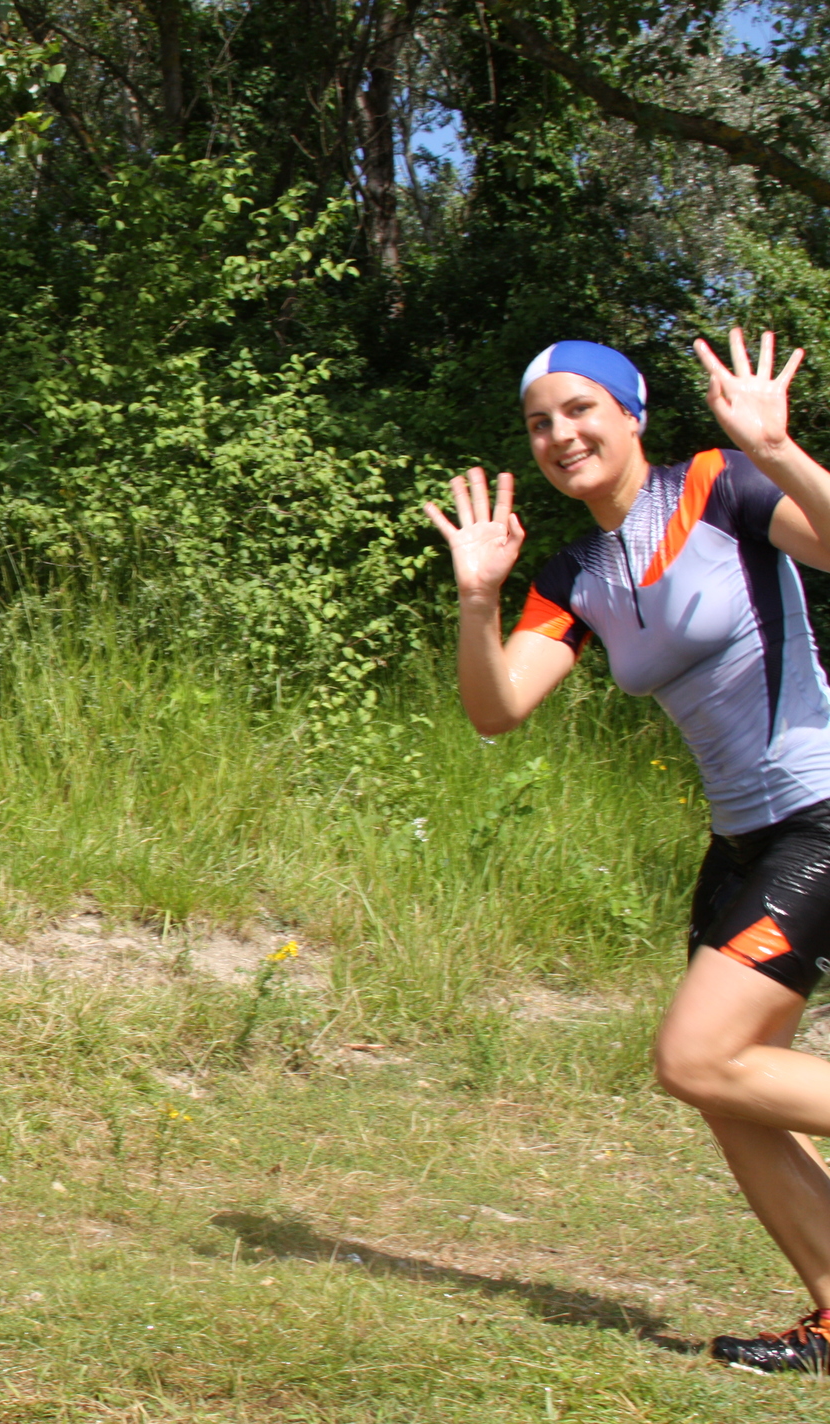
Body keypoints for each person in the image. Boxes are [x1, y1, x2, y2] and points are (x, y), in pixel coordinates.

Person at [426, 329, 830, 1371]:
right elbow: (497, 708)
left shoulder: (720, 486)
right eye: (539, 422)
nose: (561, 434)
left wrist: (778, 450)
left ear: (632, 412)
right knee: (727, 1087)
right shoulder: (576, 572)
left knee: (696, 1056)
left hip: (822, 810)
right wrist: (478, 598)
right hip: (740, 839)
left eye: (581, 409)